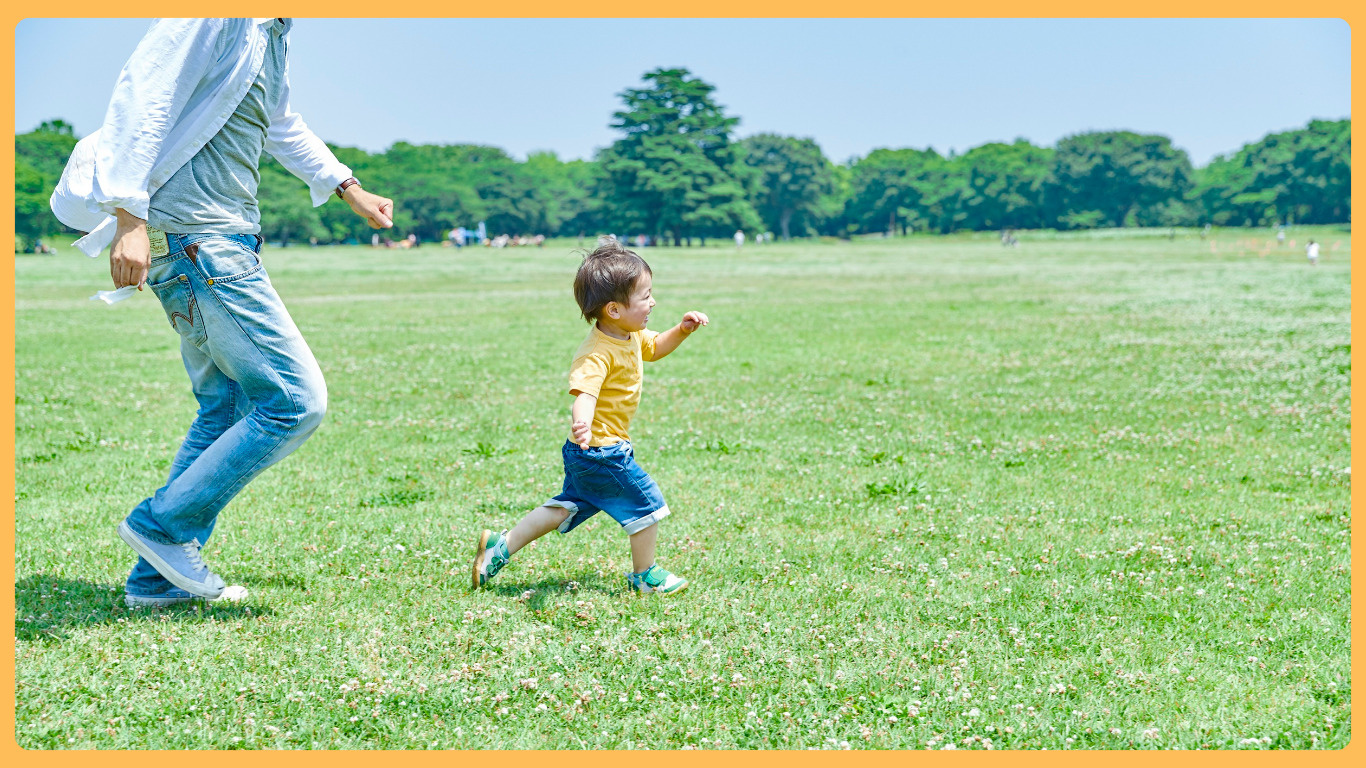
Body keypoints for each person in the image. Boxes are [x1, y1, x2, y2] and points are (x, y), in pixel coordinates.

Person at [49, 18, 394, 608]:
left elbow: (279, 122)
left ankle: (157, 581)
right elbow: (145, 91)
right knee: (295, 400)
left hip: (220, 239)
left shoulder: (273, 32)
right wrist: (129, 216)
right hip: (198, 242)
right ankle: (160, 526)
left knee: (226, 406)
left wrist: (348, 187)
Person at [471, 240, 709, 595]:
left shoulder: (629, 334)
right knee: (646, 503)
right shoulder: (596, 353)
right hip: (600, 451)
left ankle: (500, 547)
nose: (653, 302)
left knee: (566, 507)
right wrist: (581, 422)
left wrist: (682, 330)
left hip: (589, 452)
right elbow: (585, 394)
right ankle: (645, 575)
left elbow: (655, 347)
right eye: (645, 296)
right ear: (614, 309)